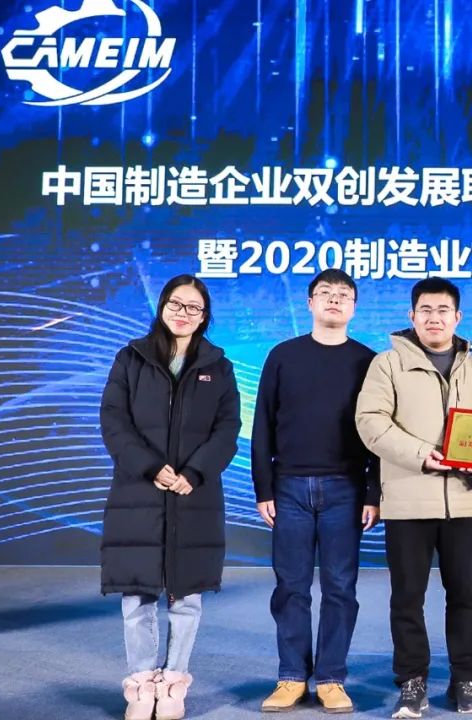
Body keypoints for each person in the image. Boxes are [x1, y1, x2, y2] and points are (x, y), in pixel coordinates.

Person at [100, 275, 241, 720]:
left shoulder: (219, 366)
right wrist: (148, 466)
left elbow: (228, 429)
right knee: (136, 594)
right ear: (162, 306)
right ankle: (141, 684)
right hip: (138, 491)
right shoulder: (131, 358)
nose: (183, 313)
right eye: (176, 304)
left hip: (193, 495)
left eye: (193, 308)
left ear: (204, 316)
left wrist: (194, 473)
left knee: (187, 595)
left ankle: (174, 682)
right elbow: (114, 421)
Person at [355, 277, 472, 719]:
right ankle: (412, 682)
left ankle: (465, 679)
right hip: (408, 500)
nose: (435, 318)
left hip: (464, 502)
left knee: (465, 595)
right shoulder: (387, 364)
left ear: (458, 317)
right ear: (412, 316)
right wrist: (421, 455)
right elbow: (370, 421)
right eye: (426, 310)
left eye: (443, 310)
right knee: (407, 597)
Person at [251, 269, 381, 713]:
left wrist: (373, 492)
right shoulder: (283, 355)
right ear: (309, 302)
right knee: (291, 586)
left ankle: (330, 678)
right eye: (325, 293)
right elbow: (262, 425)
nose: (334, 299)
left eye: (343, 294)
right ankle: (291, 676)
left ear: (354, 307)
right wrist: (264, 487)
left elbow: (378, 431)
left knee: (341, 586)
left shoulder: (368, 361)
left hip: (346, 488)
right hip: (288, 487)